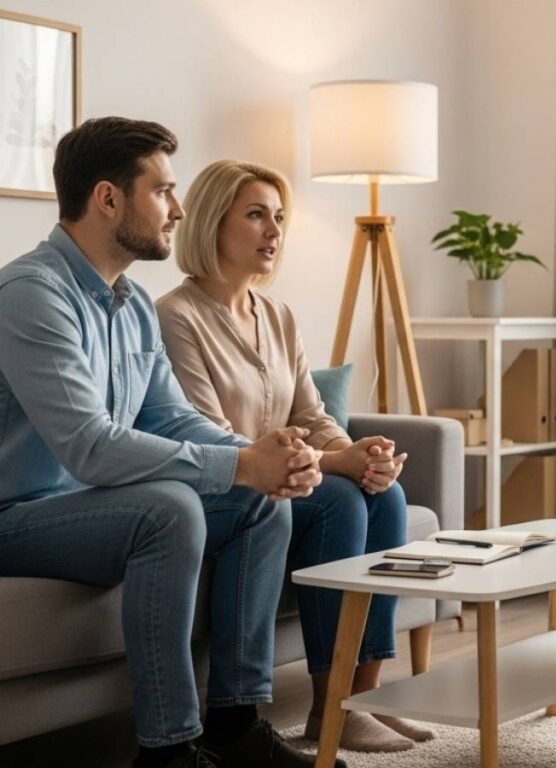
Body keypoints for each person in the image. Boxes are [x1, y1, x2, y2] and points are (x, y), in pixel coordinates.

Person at [0, 118, 344, 768]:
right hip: (15, 516)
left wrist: (265, 462)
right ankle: (168, 751)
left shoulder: (130, 304)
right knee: (171, 508)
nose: (178, 209)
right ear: (108, 198)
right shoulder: (31, 295)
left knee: (261, 501)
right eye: (163, 191)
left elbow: (173, 419)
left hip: (93, 507)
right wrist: (240, 462)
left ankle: (235, 724)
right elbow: (91, 448)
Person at [156, 160, 432, 753]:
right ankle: (328, 709)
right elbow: (207, 434)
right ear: (211, 223)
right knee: (337, 500)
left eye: (278, 217)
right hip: (226, 490)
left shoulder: (275, 315)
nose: (273, 231)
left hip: (290, 482)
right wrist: (333, 465)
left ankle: (366, 697)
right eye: (255, 215)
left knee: (386, 492)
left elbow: (310, 412)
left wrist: (356, 450)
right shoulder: (175, 316)